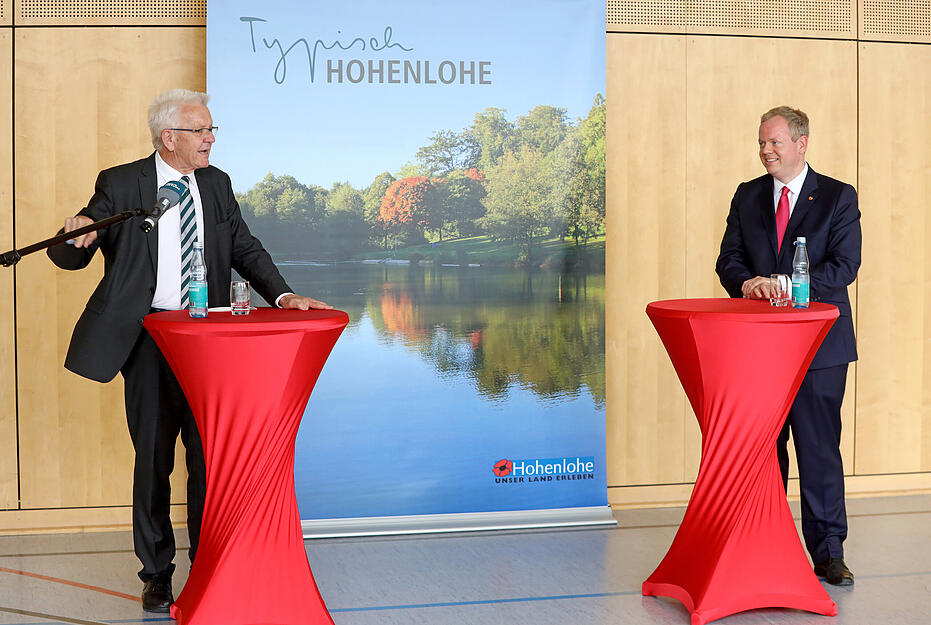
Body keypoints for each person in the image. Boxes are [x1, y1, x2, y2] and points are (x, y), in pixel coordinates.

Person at [47, 89, 332, 611]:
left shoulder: (216, 184)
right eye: (201, 131)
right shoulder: (121, 183)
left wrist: (284, 295)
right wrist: (71, 237)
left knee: (209, 460)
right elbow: (72, 255)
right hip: (151, 338)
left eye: (211, 129)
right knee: (153, 458)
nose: (211, 139)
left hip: (211, 342)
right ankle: (156, 574)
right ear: (169, 138)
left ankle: (210, 566)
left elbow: (244, 246)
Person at [715, 106, 861, 586]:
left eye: (774, 143)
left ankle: (828, 553)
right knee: (764, 451)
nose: (765, 151)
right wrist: (748, 286)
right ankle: (764, 542)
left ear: (801, 143)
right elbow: (729, 260)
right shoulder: (748, 195)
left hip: (820, 349)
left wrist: (788, 284)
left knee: (819, 452)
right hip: (760, 350)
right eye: (761, 143)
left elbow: (844, 267)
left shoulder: (838, 196)